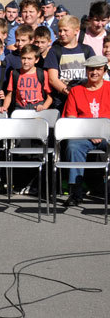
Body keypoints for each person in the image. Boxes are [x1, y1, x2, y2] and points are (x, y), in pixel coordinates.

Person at [61, 55, 110, 207]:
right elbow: (71, 118)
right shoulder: (76, 91)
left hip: (107, 134)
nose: (94, 72)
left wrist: (102, 133)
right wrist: (89, 133)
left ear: (104, 71)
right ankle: (76, 192)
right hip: (83, 135)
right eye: (91, 69)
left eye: (98, 69)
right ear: (86, 71)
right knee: (73, 146)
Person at [43, 14, 95, 112]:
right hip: (62, 100)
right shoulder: (54, 51)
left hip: (85, 97)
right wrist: (70, 93)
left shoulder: (87, 50)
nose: (62, 33)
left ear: (76, 31)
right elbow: (53, 79)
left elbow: (94, 73)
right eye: (60, 30)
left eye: (65, 30)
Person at [0, 45, 51, 113]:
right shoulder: (15, 73)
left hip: (38, 108)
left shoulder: (43, 74)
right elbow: (9, 95)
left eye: (29, 59)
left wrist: (43, 107)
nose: (26, 61)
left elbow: (50, 97)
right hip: (20, 108)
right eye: (23, 58)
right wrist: (5, 107)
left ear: (36, 60)